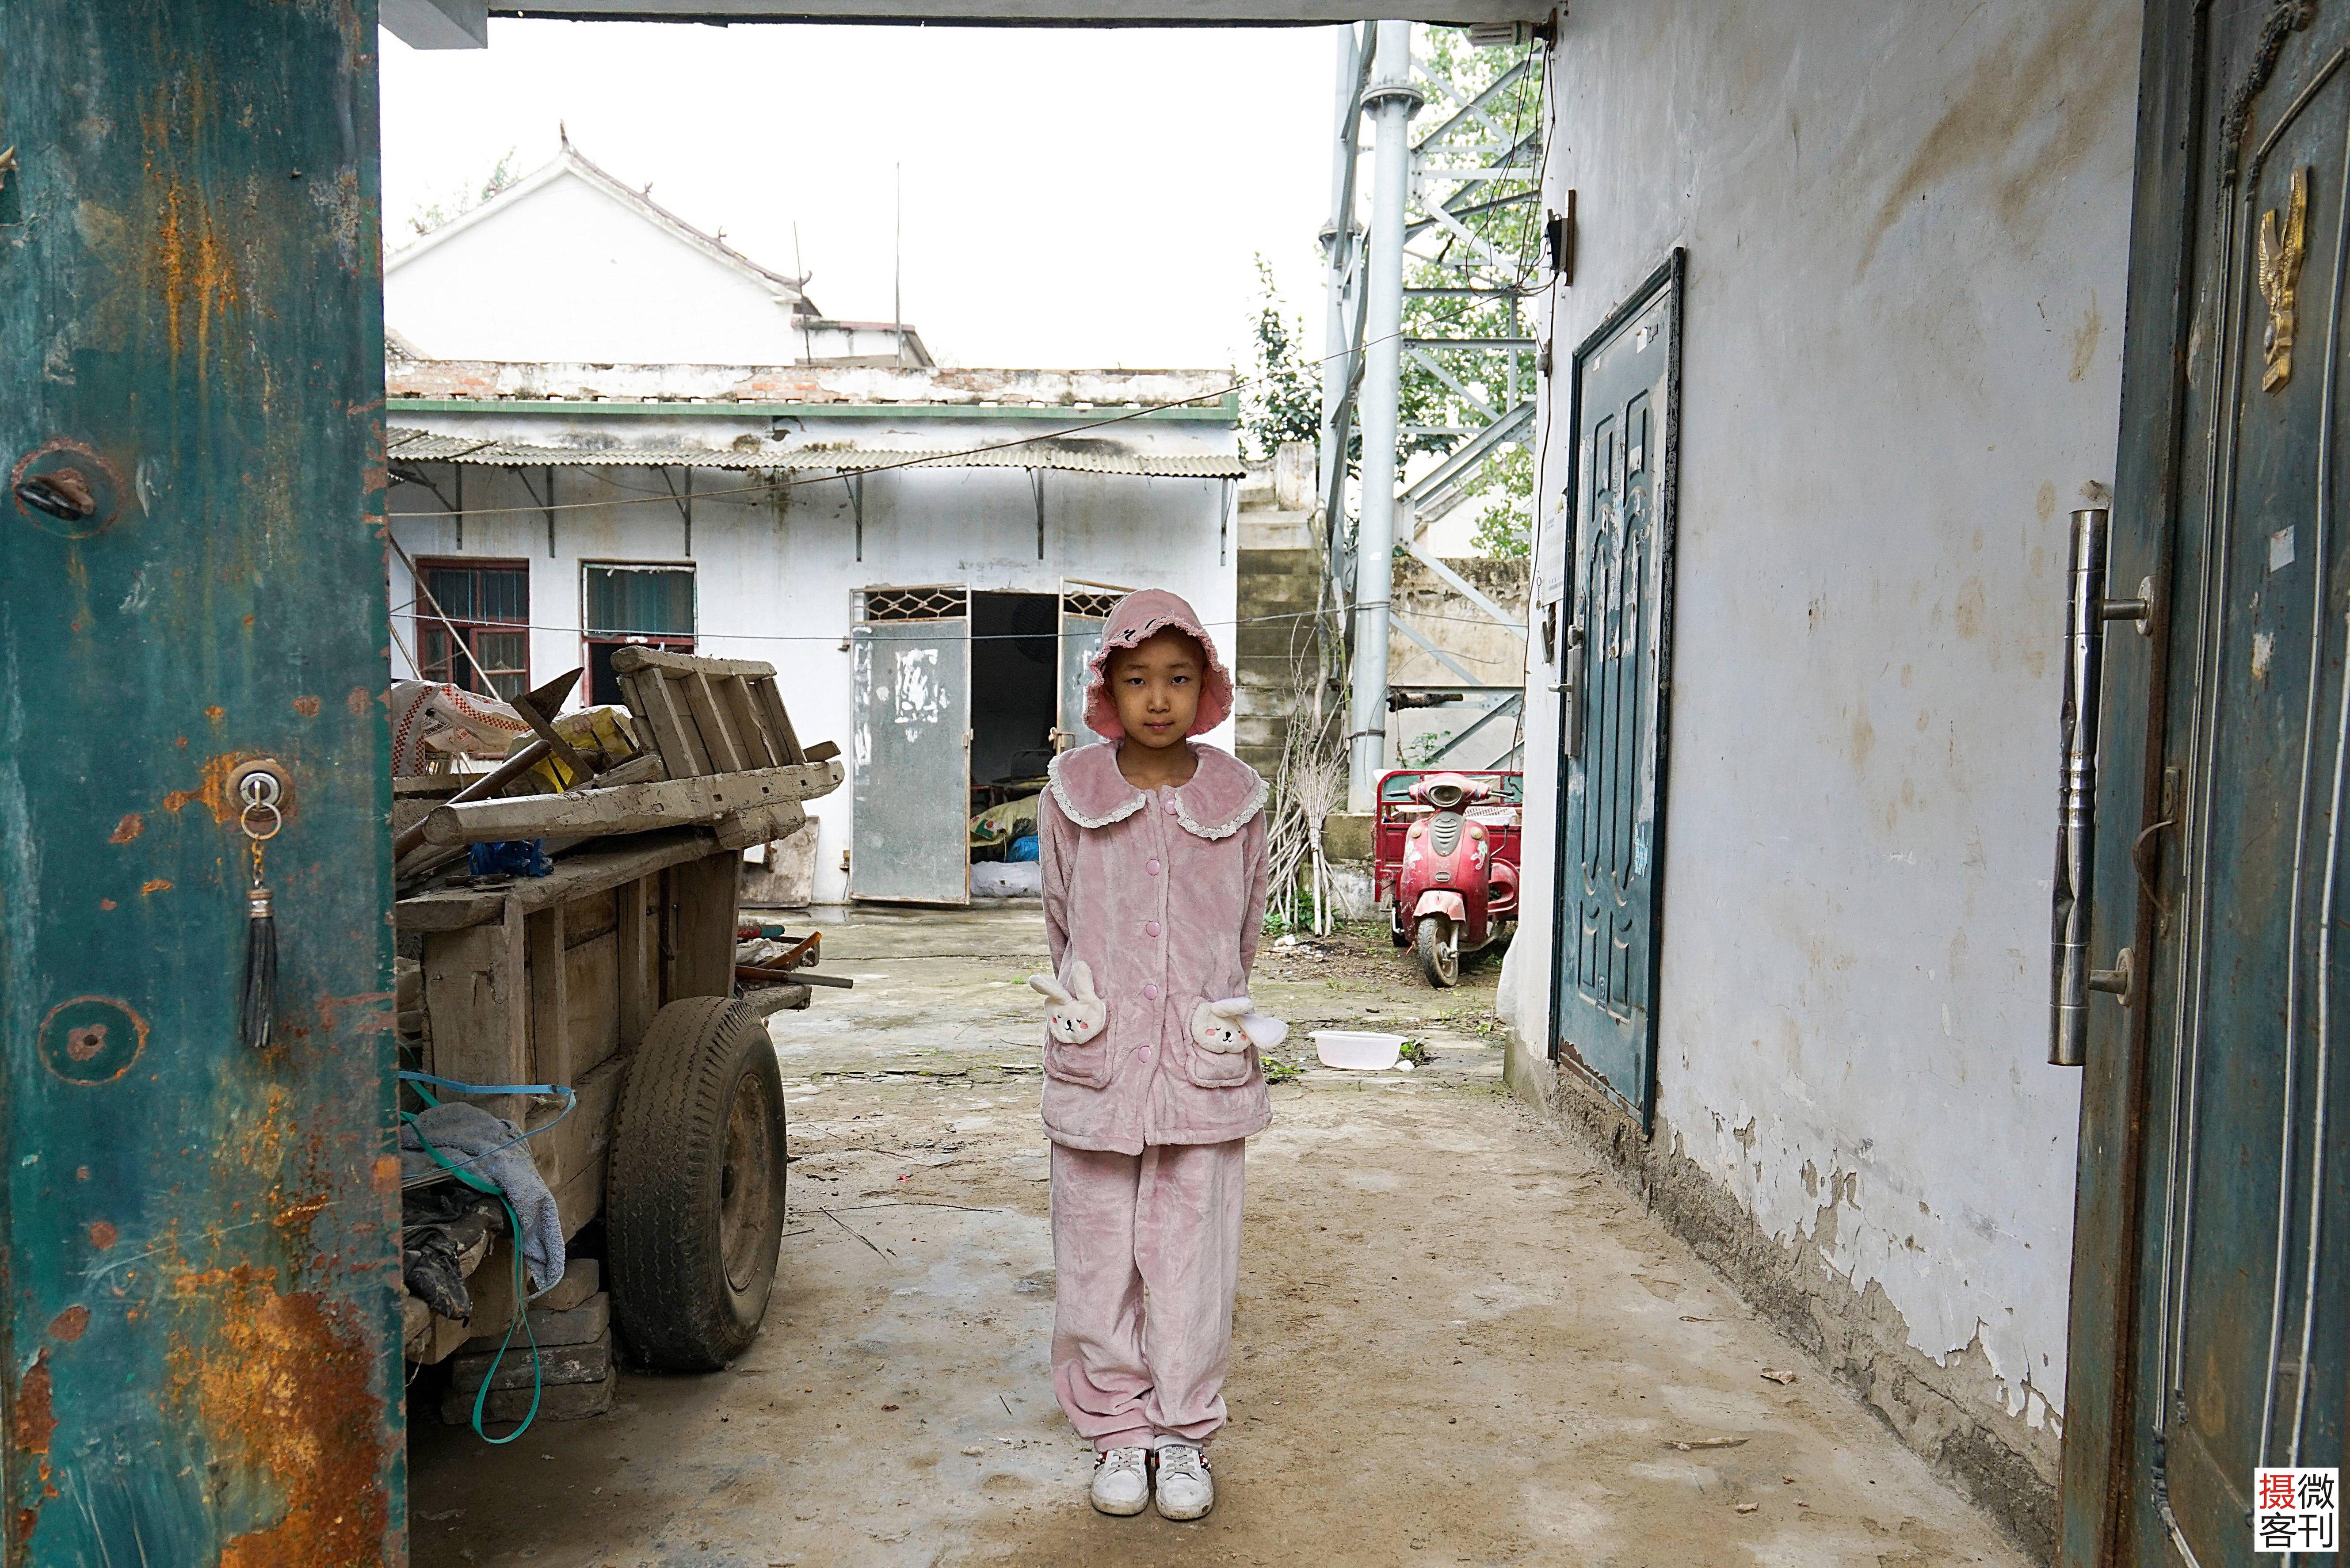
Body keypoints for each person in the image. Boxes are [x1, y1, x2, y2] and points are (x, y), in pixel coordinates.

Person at [1029, 588, 1277, 1522]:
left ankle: (1182, 1435)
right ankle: (1117, 1432)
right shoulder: (1071, 793)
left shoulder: (1237, 798)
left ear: (1206, 686)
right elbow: (1059, 919)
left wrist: (1203, 1009)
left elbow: (1245, 925)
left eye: (1179, 678)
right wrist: (1100, 1007)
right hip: (1098, 1062)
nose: (1160, 698)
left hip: (1203, 1065)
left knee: (1192, 1259)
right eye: (1139, 679)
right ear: (1108, 686)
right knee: (1096, 1255)